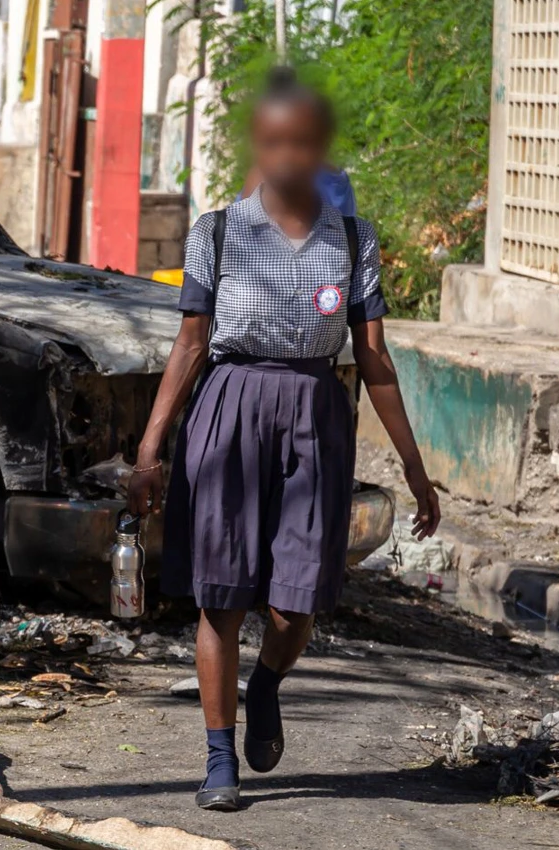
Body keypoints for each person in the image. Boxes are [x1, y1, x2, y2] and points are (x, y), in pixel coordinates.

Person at [122, 69, 440, 812]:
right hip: (229, 409)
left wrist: (415, 468)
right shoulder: (218, 232)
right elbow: (190, 344)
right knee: (222, 598)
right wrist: (148, 452)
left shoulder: (354, 239)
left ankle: (265, 683)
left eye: (305, 143)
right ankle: (218, 759)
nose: (289, 156)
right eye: (275, 142)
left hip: (315, 415)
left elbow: (374, 360)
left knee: (297, 602)